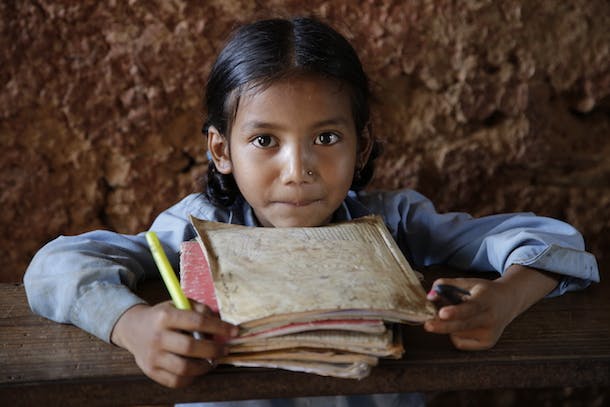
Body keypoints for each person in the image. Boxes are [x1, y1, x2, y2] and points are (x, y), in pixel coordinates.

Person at [24, 16, 599, 406]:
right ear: (221, 150)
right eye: (264, 141)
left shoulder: (394, 224)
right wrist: (133, 326)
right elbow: (55, 265)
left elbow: (549, 238)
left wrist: (506, 298)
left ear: (363, 146)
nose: (297, 169)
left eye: (326, 138)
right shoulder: (197, 228)